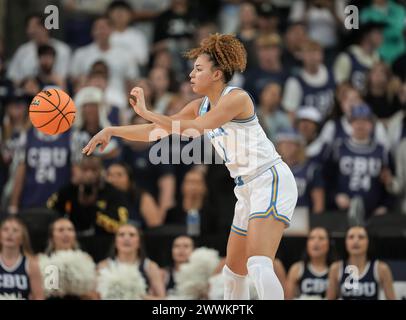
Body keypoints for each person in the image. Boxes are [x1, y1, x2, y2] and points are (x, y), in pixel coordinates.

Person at [83, 33, 298, 300]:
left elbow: (196, 128)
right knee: (233, 273)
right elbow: (156, 132)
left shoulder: (237, 98)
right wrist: (112, 130)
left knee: (258, 262)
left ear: (217, 74)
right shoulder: (200, 105)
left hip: (270, 178)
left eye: (198, 69)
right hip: (245, 188)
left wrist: (148, 112)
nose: (191, 75)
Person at [47, 156, 130, 236]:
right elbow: (49, 210)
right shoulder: (68, 190)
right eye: (85, 170)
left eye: (94, 170)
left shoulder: (113, 193)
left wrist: (95, 212)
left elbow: (120, 227)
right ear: (77, 170)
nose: (89, 174)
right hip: (73, 241)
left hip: (103, 241)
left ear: (102, 171)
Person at [97, 223, 166, 299]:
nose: (126, 238)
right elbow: (95, 295)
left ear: (139, 242)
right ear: (115, 242)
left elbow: (162, 298)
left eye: (132, 235)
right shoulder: (104, 266)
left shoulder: (150, 266)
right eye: (121, 235)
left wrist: (138, 296)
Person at [327, 226, 396, 300]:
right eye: (351, 237)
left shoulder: (381, 268)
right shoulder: (336, 268)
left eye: (361, 237)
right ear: (345, 242)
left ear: (369, 241)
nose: (356, 241)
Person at [106, 162, 166, 228]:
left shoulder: (142, 197)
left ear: (130, 179)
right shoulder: (100, 197)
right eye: (109, 175)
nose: (113, 180)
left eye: (119, 175)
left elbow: (156, 228)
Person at [0, 216, 43, 299]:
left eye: (15, 230)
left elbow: (39, 297)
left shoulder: (31, 264)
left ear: (23, 238)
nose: (10, 233)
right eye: (5, 229)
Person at [286, 227, 333, 299]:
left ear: (329, 243)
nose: (316, 242)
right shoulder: (297, 268)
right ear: (307, 243)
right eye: (312, 238)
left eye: (321, 238)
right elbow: (288, 298)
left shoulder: (335, 269)